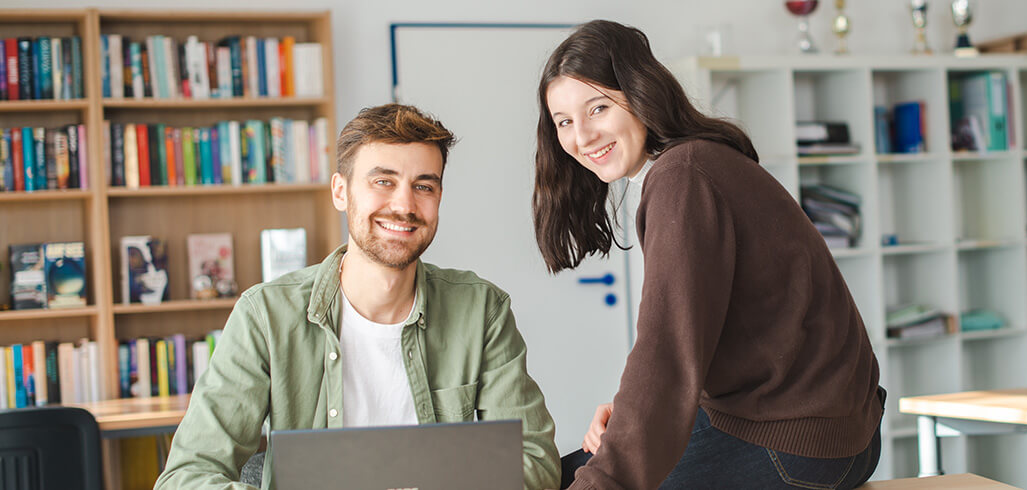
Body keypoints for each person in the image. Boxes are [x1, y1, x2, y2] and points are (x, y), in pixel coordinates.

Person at [534, 20, 884, 490]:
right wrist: (629, 413)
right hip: (834, 432)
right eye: (564, 122)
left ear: (640, 93)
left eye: (597, 108)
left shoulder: (683, 176)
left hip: (799, 444)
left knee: (564, 482)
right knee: (567, 470)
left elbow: (667, 354)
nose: (582, 136)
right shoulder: (694, 163)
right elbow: (695, 339)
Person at [156, 104, 560, 490]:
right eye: (383, 181)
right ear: (340, 191)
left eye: (424, 186)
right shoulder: (265, 315)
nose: (404, 205)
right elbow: (188, 476)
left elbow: (536, 462)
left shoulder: (481, 310)